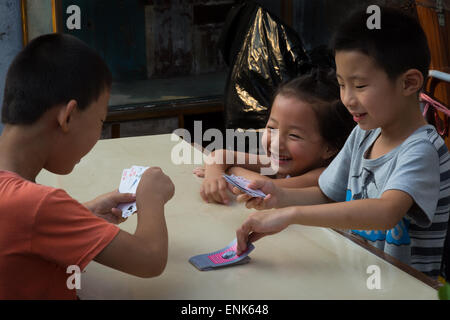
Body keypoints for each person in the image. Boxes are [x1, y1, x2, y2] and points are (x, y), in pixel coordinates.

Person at [234, 7, 450, 279]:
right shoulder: (364, 134)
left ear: (409, 83)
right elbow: (327, 193)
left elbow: (386, 212)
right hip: (356, 277)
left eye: (359, 86)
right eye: (341, 84)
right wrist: (279, 195)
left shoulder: (422, 150)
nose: (347, 98)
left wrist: (290, 215)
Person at [0, 33, 175, 299]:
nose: (98, 133)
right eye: (100, 122)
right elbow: (150, 259)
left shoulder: (20, 203)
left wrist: (81, 214)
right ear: (68, 116)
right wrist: (151, 196)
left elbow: (22, 233)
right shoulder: (37, 206)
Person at [194, 69, 355, 205]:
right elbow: (222, 155)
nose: (277, 144)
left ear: (329, 148)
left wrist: (229, 171)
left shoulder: (325, 175)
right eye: (271, 128)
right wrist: (214, 176)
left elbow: (267, 187)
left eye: (294, 135)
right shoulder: (283, 161)